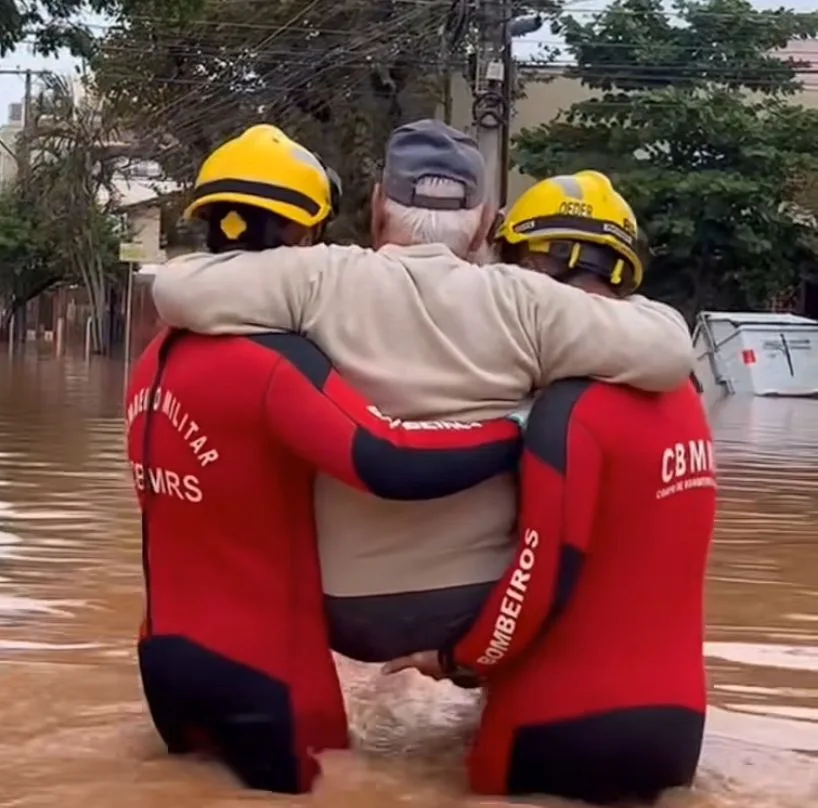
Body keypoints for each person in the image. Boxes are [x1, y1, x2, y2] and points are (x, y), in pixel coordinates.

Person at [147, 119, 697, 665]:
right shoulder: (525, 300)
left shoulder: (319, 278)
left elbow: (175, 289)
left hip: (340, 608)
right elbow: (671, 353)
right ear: (484, 223)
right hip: (481, 602)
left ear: (381, 205)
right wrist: (608, 295)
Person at [127, 124, 526, 795]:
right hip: (266, 671)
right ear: (304, 237)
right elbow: (387, 460)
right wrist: (518, 432)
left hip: (162, 656)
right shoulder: (274, 366)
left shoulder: (154, 360)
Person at [385, 171, 717, 805]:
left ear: (536, 265)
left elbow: (537, 582)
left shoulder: (570, 410)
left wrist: (455, 658)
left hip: (551, 723)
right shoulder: (686, 397)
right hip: (676, 726)